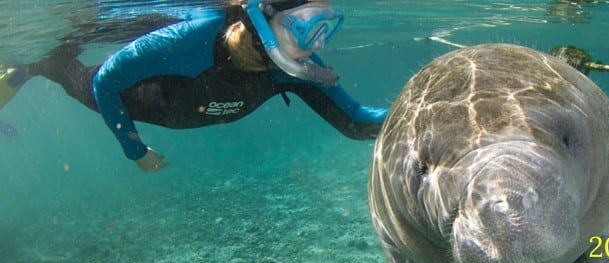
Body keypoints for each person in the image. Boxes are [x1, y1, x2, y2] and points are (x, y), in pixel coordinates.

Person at [0, 0, 387, 173]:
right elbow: (104, 84)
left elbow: (355, 121)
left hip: (184, 104)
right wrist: (135, 151)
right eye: (304, 28)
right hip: (139, 99)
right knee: (72, 76)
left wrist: (441, 110)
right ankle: (36, 65)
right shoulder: (190, 39)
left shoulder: (296, 65)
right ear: (255, 21)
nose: (310, 49)